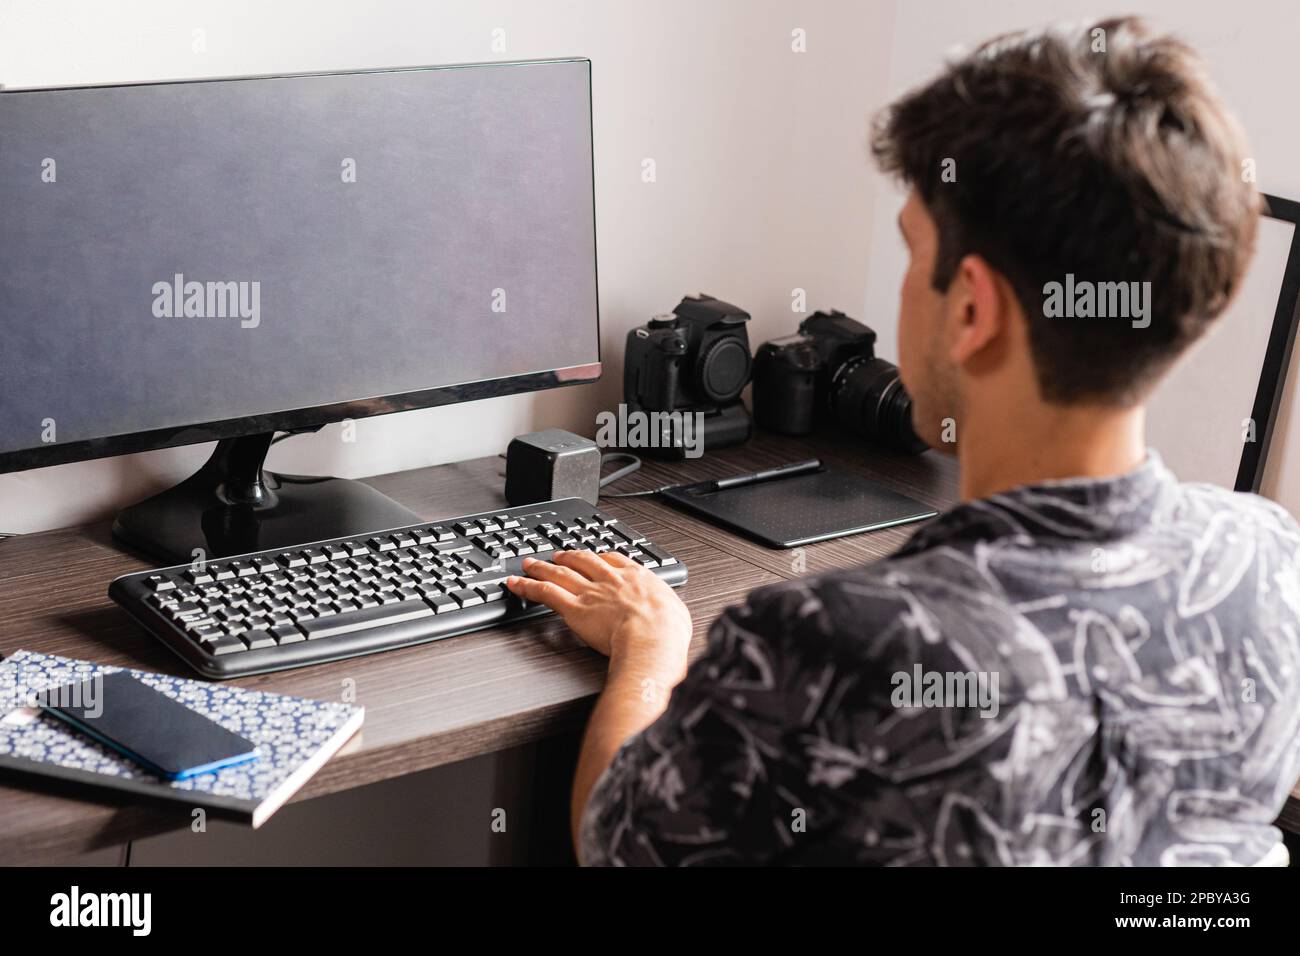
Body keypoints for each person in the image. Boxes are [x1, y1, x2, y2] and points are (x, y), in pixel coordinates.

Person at [505, 16, 1300, 865]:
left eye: (912, 252)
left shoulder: (843, 644)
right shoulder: (1267, 565)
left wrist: (648, 653)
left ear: (972, 310)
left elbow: (616, 842)